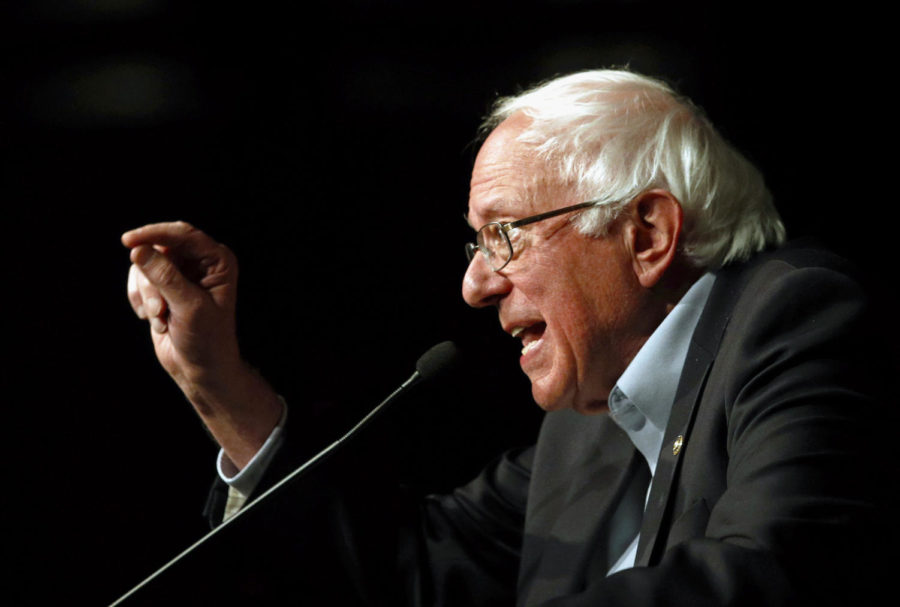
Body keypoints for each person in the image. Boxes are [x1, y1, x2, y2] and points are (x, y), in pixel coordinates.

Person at [122, 69, 891, 605]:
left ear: (647, 232)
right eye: (477, 244)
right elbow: (410, 575)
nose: (476, 284)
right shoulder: (585, 428)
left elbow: (775, 574)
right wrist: (215, 378)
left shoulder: (793, 318)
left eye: (505, 235)